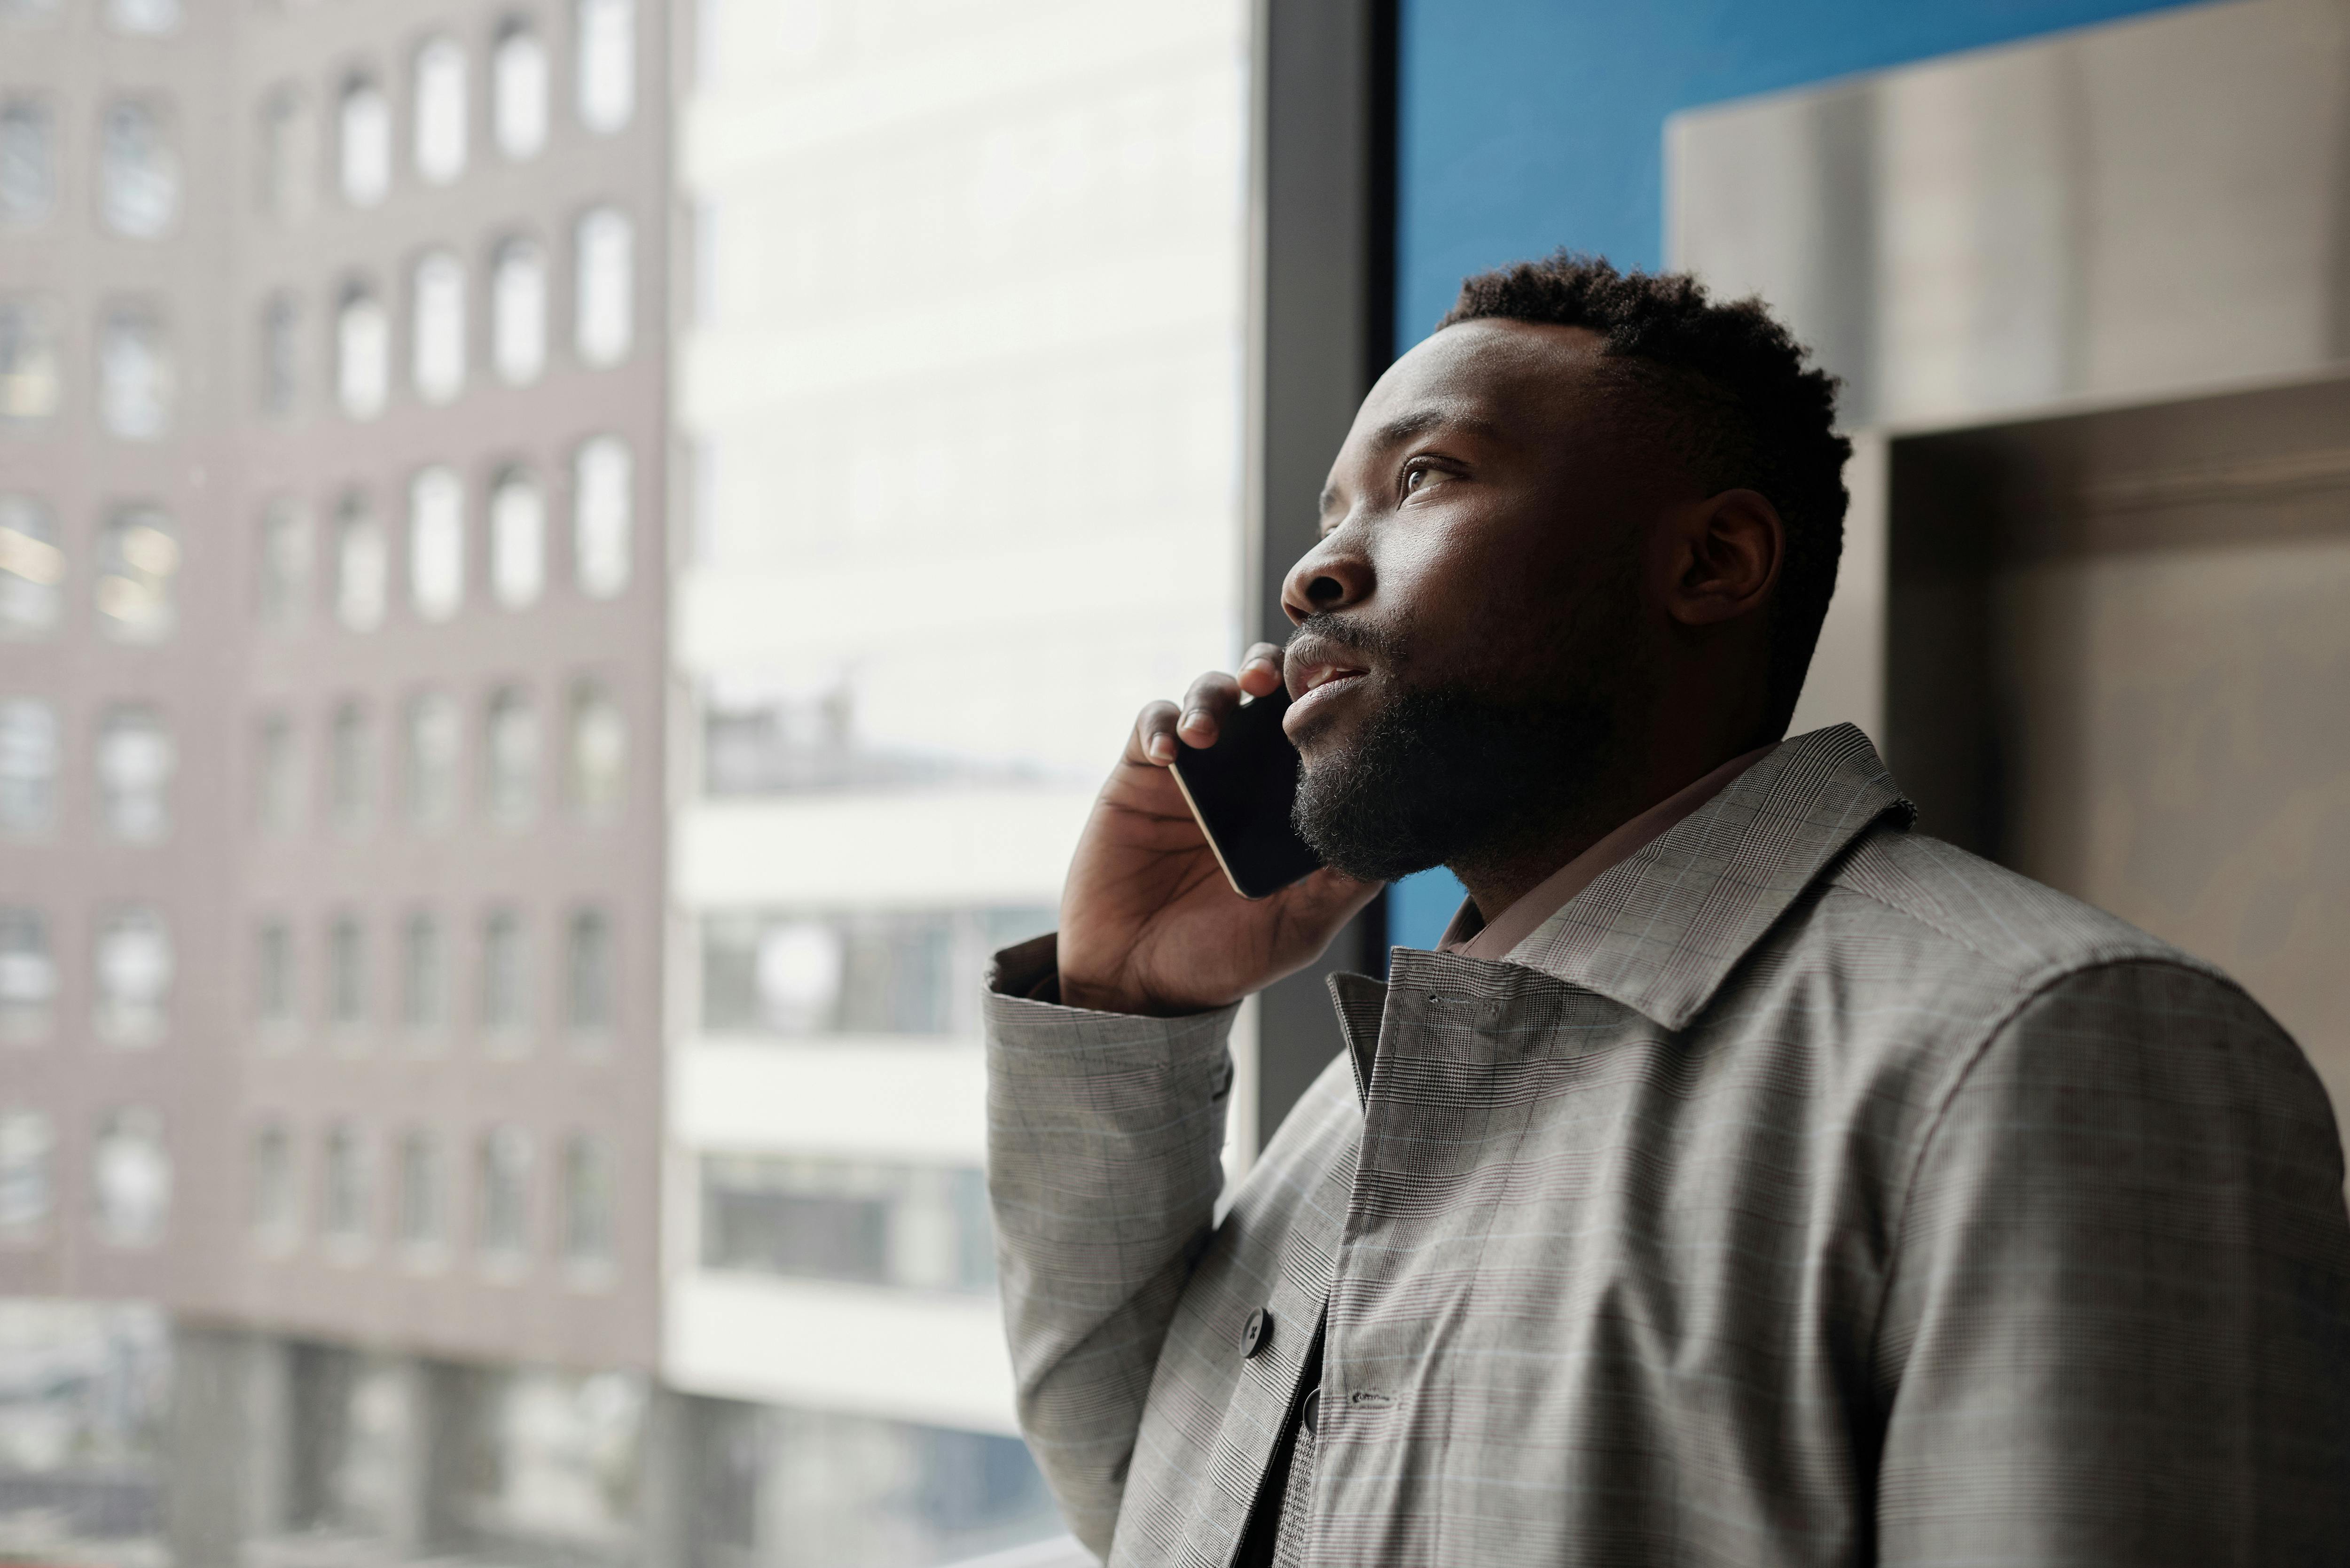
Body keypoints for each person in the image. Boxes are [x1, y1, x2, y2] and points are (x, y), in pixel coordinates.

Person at [983, 254, 2350, 1566]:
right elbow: (1145, 1502)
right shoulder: (1368, 1106)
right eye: (1332, 510)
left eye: (1424, 477)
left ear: (1714, 563)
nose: (1316, 573)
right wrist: (1125, 1003)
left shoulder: (2045, 1053)